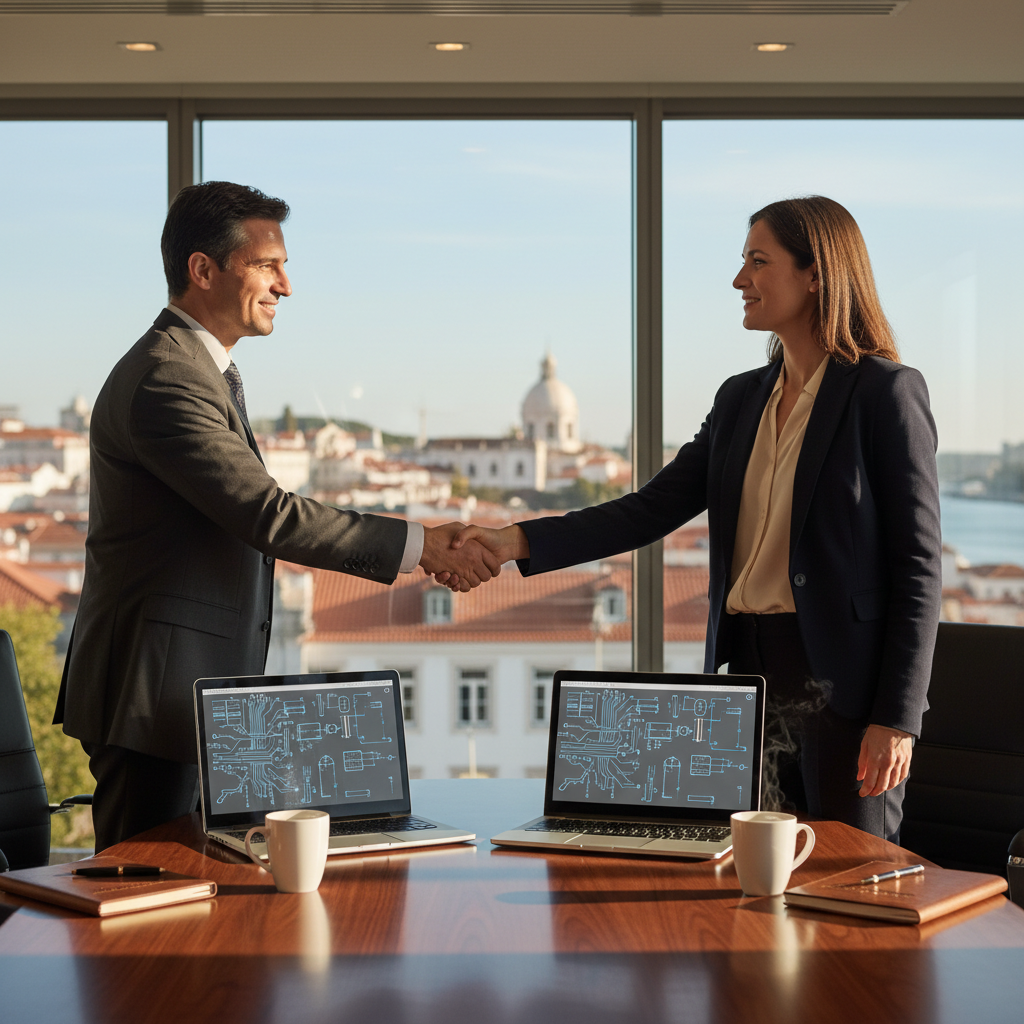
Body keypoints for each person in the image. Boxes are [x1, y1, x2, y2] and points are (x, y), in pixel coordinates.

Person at [453, 196, 942, 842]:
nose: (739, 280)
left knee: (849, 876)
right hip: (747, 680)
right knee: (749, 875)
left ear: (815, 274)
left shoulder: (884, 392)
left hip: (845, 693)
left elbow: (918, 568)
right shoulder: (740, 398)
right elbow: (649, 508)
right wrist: (513, 540)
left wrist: (898, 718)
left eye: (758, 262)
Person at [54, 181, 498, 852]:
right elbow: (267, 515)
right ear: (203, 269)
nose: (285, 286)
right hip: (151, 694)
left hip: (181, 689)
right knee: (147, 889)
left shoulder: (197, 370)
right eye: (268, 265)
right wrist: (422, 546)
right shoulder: (166, 377)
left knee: (195, 884)